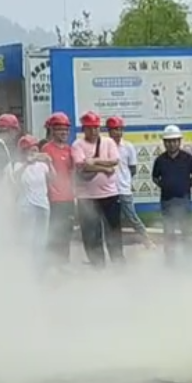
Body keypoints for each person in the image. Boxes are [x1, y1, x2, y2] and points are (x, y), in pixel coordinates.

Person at [71, 111, 124, 268]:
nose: (94, 131)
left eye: (96, 128)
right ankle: (97, 264)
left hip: (110, 194)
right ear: (84, 129)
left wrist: (94, 161)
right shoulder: (77, 145)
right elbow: (82, 165)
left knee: (114, 230)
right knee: (91, 233)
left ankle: (118, 262)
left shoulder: (108, 142)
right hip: (86, 197)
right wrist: (104, 168)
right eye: (90, 128)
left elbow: (114, 161)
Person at [152, 125, 192, 266]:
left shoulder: (188, 158)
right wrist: (166, 186)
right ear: (164, 142)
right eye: (168, 141)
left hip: (183, 200)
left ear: (179, 141)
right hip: (167, 201)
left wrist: (186, 186)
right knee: (169, 233)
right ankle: (170, 262)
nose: (171, 144)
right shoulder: (160, 160)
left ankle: (190, 261)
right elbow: (155, 177)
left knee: (187, 231)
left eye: (174, 141)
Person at [106, 116, 154, 248]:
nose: (117, 132)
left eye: (120, 129)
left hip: (123, 189)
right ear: (109, 131)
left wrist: (124, 180)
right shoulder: (104, 146)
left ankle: (146, 240)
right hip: (108, 190)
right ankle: (111, 244)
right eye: (114, 129)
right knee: (109, 219)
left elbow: (133, 169)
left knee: (132, 217)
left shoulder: (128, 147)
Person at [10, 135, 53, 268]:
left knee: (41, 238)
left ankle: (39, 265)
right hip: (26, 206)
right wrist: (26, 163)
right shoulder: (18, 165)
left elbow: (53, 178)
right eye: (30, 150)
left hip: (43, 205)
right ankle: (25, 264)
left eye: (35, 149)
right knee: (27, 237)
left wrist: (50, 163)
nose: (33, 152)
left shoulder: (42, 165)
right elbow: (15, 178)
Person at [42, 112, 76, 266]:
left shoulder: (69, 150)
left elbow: (73, 173)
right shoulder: (46, 149)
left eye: (66, 129)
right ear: (53, 131)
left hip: (68, 198)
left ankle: (64, 263)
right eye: (60, 129)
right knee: (55, 232)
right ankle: (53, 264)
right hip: (53, 199)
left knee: (67, 232)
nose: (64, 132)